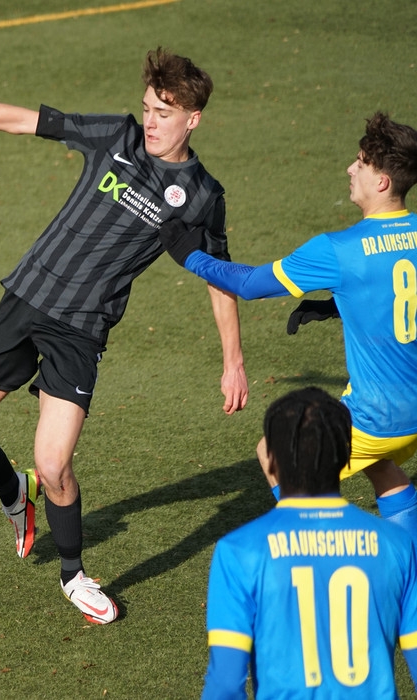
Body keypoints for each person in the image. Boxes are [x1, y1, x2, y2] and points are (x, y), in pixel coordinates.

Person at [0, 48, 249, 623]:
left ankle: (74, 575)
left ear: (193, 118)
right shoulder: (116, 136)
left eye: (164, 113)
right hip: (26, 299)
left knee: (54, 465)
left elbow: (218, 277)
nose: (151, 122)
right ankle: (14, 493)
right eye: (148, 108)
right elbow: (20, 119)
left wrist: (233, 360)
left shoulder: (202, 196)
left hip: (80, 330)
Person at [159, 112, 417, 539]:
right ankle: (408, 548)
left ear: (382, 182)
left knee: (274, 453)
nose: (350, 169)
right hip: (412, 416)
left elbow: (250, 284)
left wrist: (191, 256)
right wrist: (339, 306)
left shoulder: (338, 250)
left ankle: (317, 546)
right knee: (379, 465)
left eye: (360, 163)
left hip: (378, 417)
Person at [202, 387, 417, 698]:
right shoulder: (397, 545)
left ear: (271, 463)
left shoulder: (238, 551)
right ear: (346, 458)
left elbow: (224, 684)